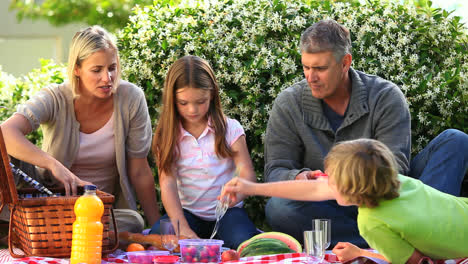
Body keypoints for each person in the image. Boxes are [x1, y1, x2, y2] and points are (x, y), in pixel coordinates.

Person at [264, 19, 468, 247]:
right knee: (279, 208)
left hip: (386, 200)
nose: (311, 77)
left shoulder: (385, 96)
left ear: (345, 63)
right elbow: (276, 170)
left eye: (320, 68)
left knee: (455, 141)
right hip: (329, 207)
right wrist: (298, 178)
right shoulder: (288, 102)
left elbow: (396, 169)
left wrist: (348, 181)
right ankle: (394, 242)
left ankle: (409, 235)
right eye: (306, 67)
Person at [0, 26, 160, 233]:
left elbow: (139, 170)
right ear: (77, 69)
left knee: (133, 221)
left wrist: (157, 226)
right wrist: (54, 165)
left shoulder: (131, 99)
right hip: (50, 198)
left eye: (112, 68)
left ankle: (37, 229)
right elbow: (5, 132)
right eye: (96, 70)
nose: (107, 78)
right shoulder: (55, 97)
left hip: (96, 209)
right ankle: (38, 224)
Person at [224, 138, 468, 263]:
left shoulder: (371, 221)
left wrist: (362, 251)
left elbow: (414, 262)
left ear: (352, 190)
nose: (324, 182)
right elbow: (313, 190)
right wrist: (254, 187)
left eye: (332, 180)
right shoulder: (398, 181)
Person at [149, 55, 259, 249]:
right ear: (172, 99)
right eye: (183, 103)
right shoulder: (167, 136)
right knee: (159, 237)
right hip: (187, 213)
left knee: (244, 244)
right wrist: (181, 225)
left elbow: (247, 173)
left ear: (212, 95)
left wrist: (237, 194)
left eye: (201, 101)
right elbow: (167, 183)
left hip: (227, 212)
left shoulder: (230, 129)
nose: (192, 110)